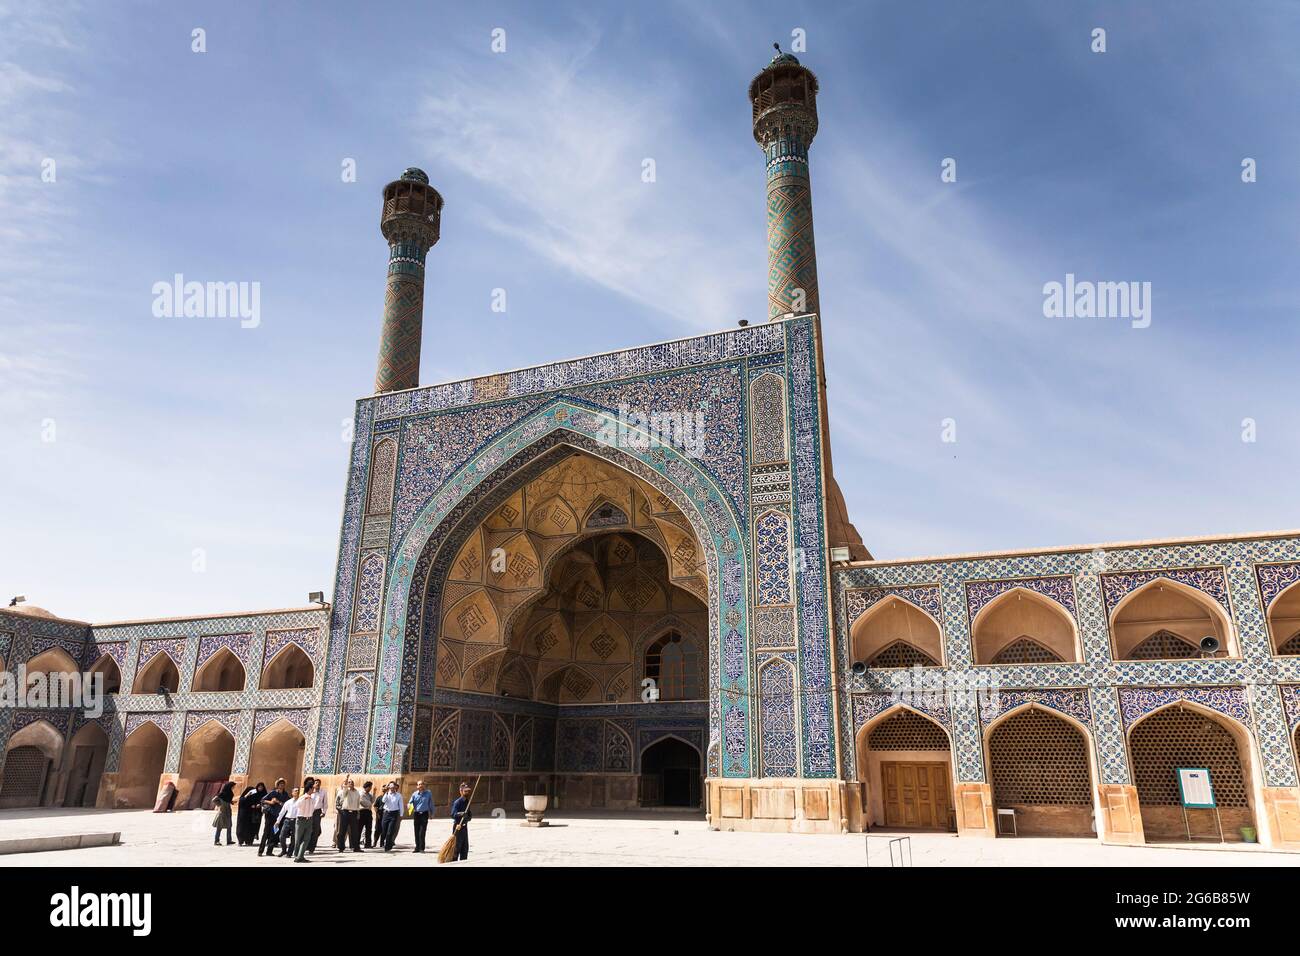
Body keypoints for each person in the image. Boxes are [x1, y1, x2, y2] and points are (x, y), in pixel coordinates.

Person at [258, 779, 290, 858]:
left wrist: (278, 802)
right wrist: (271, 802)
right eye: (280, 784)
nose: (282, 785)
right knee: (266, 833)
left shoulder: (285, 794)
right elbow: (262, 800)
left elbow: (287, 804)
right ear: (277, 785)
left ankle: (269, 851)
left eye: (283, 784)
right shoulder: (273, 793)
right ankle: (260, 851)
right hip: (270, 816)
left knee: (274, 834)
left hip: (278, 818)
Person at [336, 777, 363, 852]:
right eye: (349, 782)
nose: (351, 783)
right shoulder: (346, 791)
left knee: (355, 831)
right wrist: (346, 778)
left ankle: (356, 847)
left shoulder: (357, 792)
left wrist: (358, 812)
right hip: (345, 812)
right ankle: (341, 847)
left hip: (354, 813)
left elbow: (358, 803)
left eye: (352, 782)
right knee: (342, 831)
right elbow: (344, 787)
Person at [293, 778, 316, 863]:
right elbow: (296, 805)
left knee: (306, 839)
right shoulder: (302, 797)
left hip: (309, 820)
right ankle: (297, 855)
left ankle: (300, 856)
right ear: (309, 789)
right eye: (313, 788)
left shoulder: (312, 799)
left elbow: (312, 809)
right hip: (301, 820)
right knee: (298, 839)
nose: (314, 790)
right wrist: (304, 799)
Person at [275, 787, 301, 857]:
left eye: (298, 791)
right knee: (281, 836)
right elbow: (282, 812)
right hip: (287, 820)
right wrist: (278, 821)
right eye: (295, 791)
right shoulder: (288, 802)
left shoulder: (301, 801)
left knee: (293, 838)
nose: (297, 792)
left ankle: (289, 853)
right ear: (292, 793)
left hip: (296, 821)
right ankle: (284, 850)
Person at [450, 781, 472, 861]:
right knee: (456, 847)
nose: (467, 792)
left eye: (468, 791)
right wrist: (461, 814)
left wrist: (468, 817)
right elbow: (453, 814)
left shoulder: (467, 802)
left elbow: (470, 815)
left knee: (465, 847)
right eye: (465, 791)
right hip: (458, 827)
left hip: (464, 827)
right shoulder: (457, 802)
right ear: (461, 791)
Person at [409, 780, 433, 853]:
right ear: (417, 786)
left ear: (424, 785)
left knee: (422, 831)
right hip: (416, 814)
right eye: (419, 784)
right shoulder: (414, 794)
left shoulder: (428, 793)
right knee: (416, 831)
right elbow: (410, 803)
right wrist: (409, 805)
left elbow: (431, 803)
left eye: (422, 784)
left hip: (424, 814)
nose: (420, 785)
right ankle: (417, 847)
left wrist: (432, 813)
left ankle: (422, 848)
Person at [379, 781, 403, 851]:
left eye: (393, 787)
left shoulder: (398, 795)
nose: (392, 789)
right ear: (389, 788)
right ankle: (384, 843)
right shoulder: (387, 794)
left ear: (395, 787)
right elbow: (383, 800)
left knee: (390, 831)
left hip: (394, 814)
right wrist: (386, 793)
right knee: (384, 830)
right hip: (386, 813)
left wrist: (401, 814)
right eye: (390, 787)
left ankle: (388, 846)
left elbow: (401, 805)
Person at [211, 781, 235, 846]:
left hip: (228, 811)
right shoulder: (222, 794)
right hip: (222, 812)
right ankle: (216, 841)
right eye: (233, 786)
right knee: (219, 827)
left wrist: (231, 802)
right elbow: (214, 800)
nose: (233, 788)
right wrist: (219, 805)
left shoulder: (230, 794)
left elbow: (228, 800)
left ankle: (229, 840)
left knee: (229, 826)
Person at [307, 778, 326, 853]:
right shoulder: (310, 791)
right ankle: (306, 846)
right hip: (309, 811)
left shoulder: (323, 792)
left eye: (318, 782)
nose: (317, 784)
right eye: (316, 782)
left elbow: (325, 803)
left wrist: (323, 812)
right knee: (308, 830)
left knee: (316, 831)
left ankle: (312, 848)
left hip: (317, 812)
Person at [358, 782, 376, 849]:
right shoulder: (361, 794)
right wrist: (370, 803)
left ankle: (368, 844)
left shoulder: (369, 795)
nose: (370, 788)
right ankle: (356, 843)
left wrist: (374, 793)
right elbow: (365, 803)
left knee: (369, 829)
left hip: (368, 812)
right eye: (370, 787)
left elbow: (373, 801)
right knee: (359, 829)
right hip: (362, 812)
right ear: (367, 787)